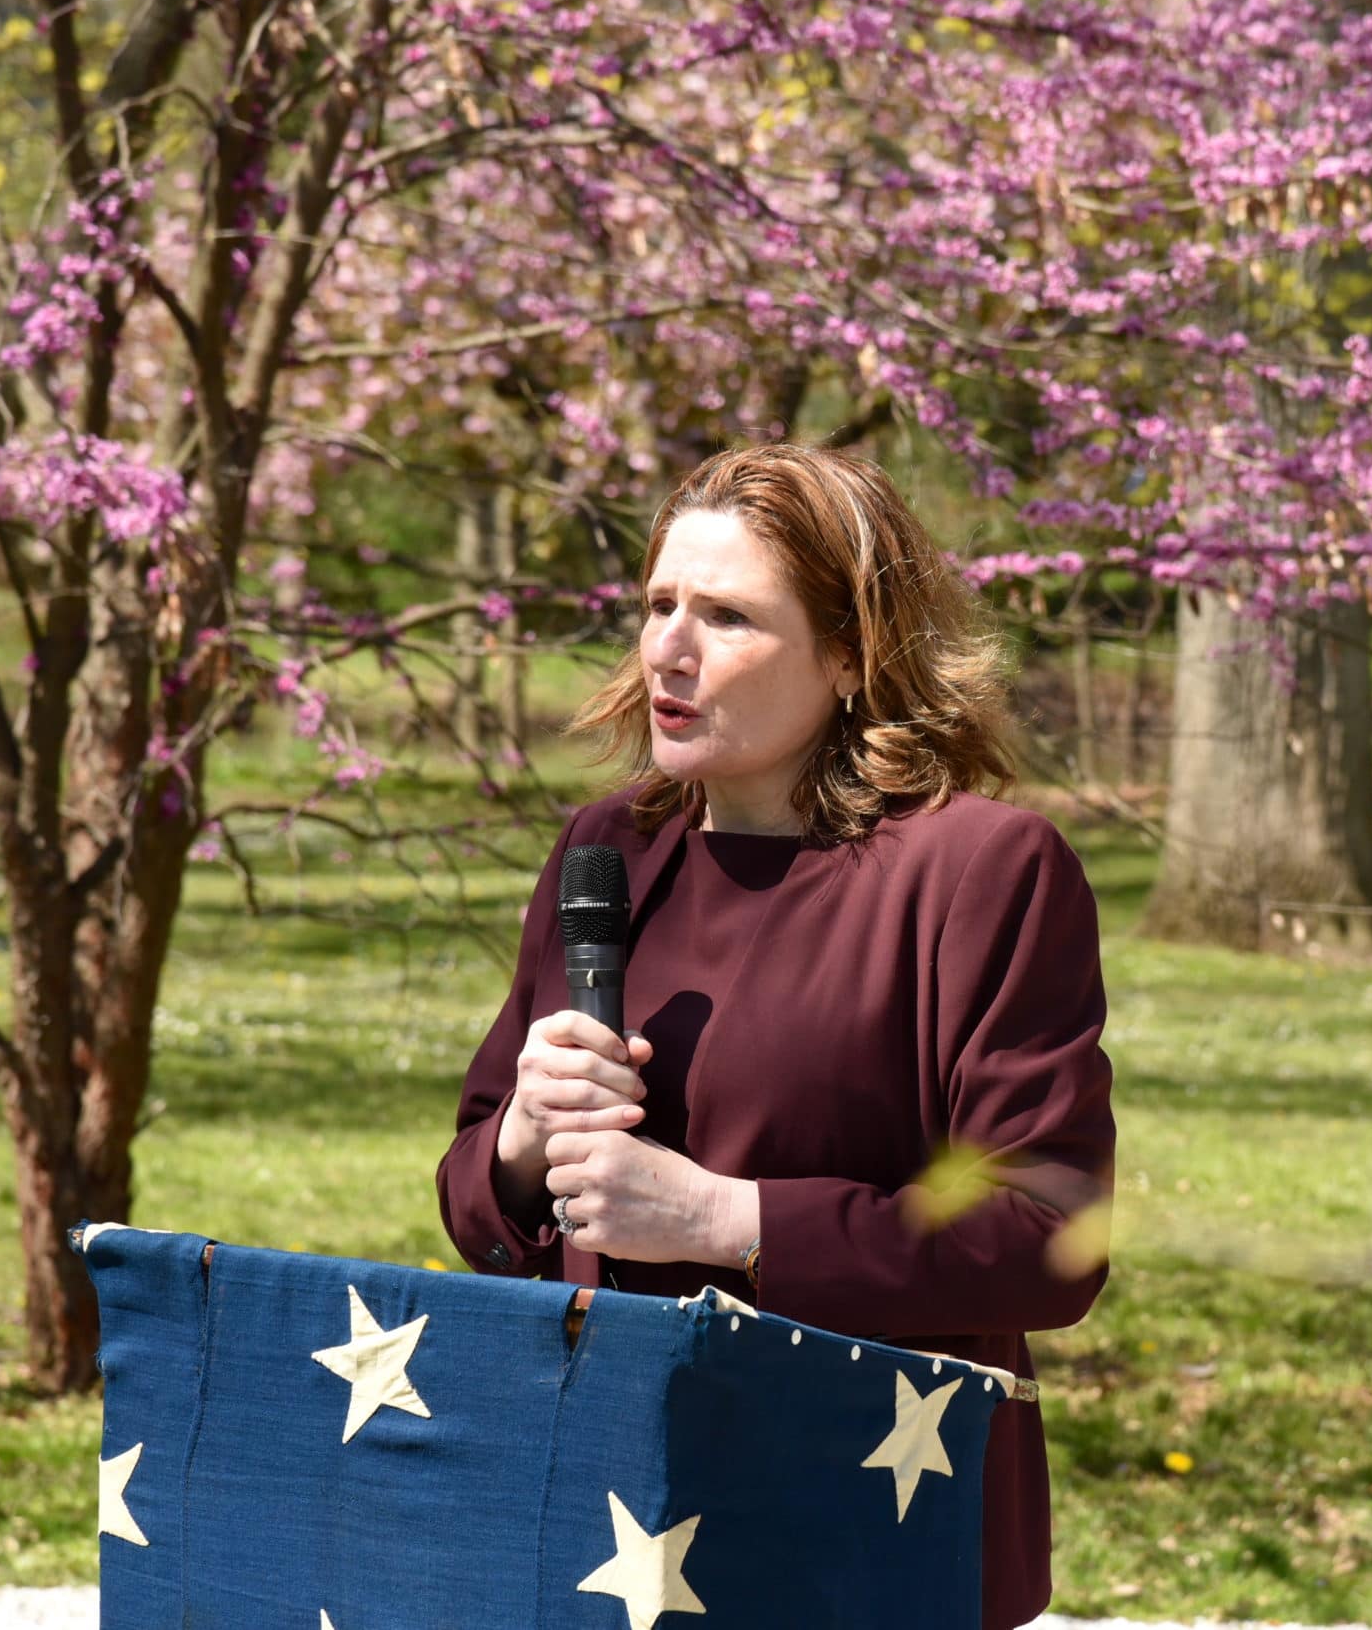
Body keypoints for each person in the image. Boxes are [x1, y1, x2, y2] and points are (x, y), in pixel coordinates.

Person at [436, 443, 1117, 1630]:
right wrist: (523, 1139)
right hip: (604, 1507)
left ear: (852, 653)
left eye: (727, 615)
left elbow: (1046, 1238)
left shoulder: (979, 871)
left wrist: (724, 1219)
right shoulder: (610, 852)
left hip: (858, 1521)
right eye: (658, 604)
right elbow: (475, 1204)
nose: (668, 648)